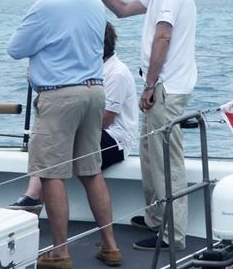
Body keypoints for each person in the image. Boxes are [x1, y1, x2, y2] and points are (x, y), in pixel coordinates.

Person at [7, 0, 121, 269]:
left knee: (51, 173)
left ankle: (60, 251)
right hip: (94, 92)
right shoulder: (95, 6)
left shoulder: (46, 7)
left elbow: (15, 49)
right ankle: (110, 246)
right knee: (91, 171)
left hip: (59, 96)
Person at [90, 0, 197, 252]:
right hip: (161, 85)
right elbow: (122, 10)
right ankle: (156, 219)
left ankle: (173, 235)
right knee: (151, 158)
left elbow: (163, 36)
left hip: (166, 87)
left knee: (166, 161)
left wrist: (150, 86)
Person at [9, 21, 138, 214]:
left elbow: (104, 120)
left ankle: (33, 198)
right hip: (94, 130)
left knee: (56, 144)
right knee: (51, 140)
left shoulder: (116, 73)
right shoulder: (90, 69)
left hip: (115, 139)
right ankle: (32, 197)